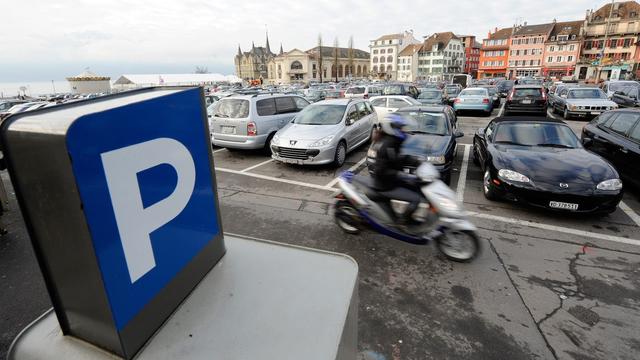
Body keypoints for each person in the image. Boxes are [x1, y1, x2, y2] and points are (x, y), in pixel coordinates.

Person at [370, 113, 423, 226]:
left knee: (417, 187)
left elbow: (398, 158)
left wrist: (417, 161)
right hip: (384, 185)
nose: (403, 130)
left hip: (391, 180)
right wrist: (401, 175)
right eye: (401, 128)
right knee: (416, 198)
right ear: (393, 129)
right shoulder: (387, 145)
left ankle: (401, 218)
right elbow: (381, 170)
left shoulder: (393, 141)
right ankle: (404, 221)